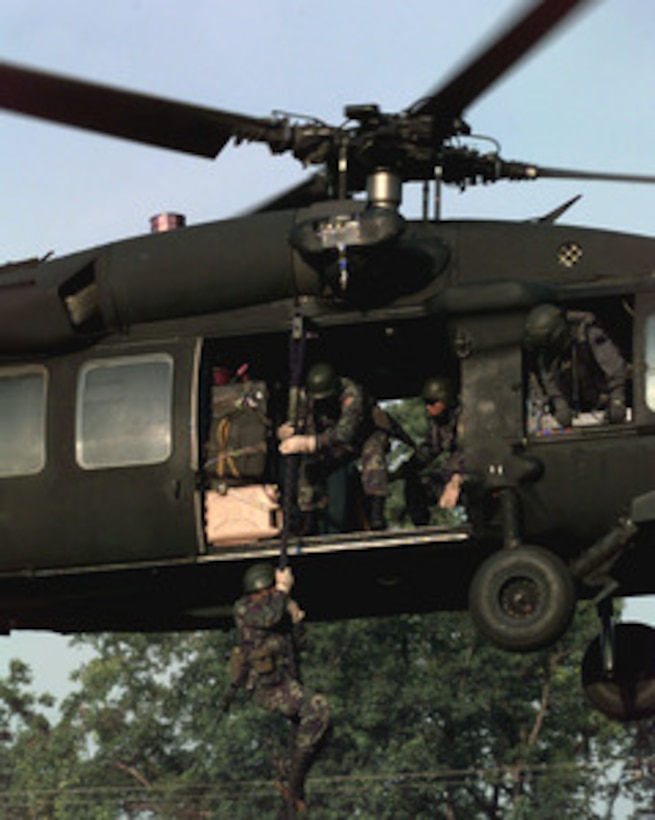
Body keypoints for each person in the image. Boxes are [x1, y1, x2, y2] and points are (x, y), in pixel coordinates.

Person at [233, 562, 330, 814]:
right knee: (318, 708)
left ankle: (294, 777)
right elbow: (269, 616)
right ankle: (293, 784)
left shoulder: (277, 607)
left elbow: (301, 644)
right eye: (265, 592)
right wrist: (283, 590)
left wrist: (297, 620)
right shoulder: (246, 609)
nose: (264, 597)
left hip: (285, 682)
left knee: (322, 731)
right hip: (267, 686)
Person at [278, 362, 389, 532]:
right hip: (332, 443)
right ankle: (308, 519)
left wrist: (309, 443)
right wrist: (287, 431)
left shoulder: (352, 393)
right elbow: (301, 421)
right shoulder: (307, 396)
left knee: (374, 455)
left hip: (362, 438)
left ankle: (376, 513)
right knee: (309, 470)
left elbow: (345, 433)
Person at [524, 304, 628, 429]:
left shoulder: (591, 336)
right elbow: (549, 380)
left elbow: (615, 368)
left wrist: (617, 400)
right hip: (574, 411)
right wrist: (560, 405)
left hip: (603, 403)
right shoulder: (547, 354)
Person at [401, 375, 464, 526]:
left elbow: (473, 451)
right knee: (417, 483)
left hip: (474, 475)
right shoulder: (439, 422)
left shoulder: (467, 419)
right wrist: (407, 468)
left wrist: (457, 479)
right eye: (425, 403)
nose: (427, 407)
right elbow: (430, 448)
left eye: (431, 402)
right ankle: (420, 526)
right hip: (453, 476)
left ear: (446, 400)